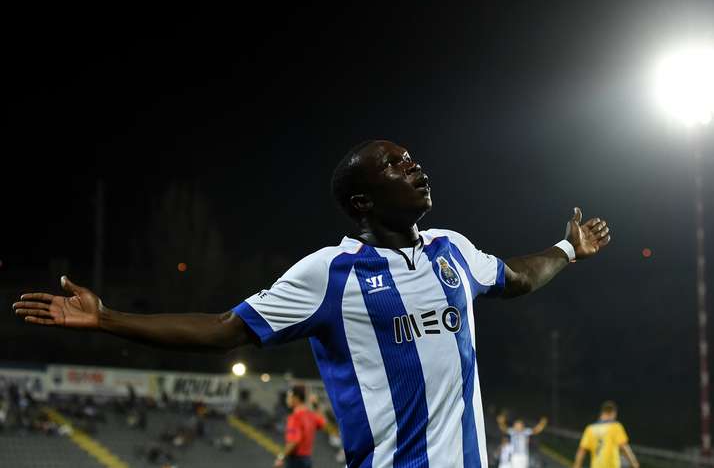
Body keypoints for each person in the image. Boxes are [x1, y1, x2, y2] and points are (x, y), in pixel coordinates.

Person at [13, 140, 611, 467]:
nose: (415, 166)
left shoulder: (452, 251)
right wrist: (108, 317)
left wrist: (567, 249)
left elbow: (517, 278)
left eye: (411, 158)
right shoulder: (328, 273)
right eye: (394, 165)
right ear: (361, 201)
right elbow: (225, 328)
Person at [573, 401, 639, 468]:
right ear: (613, 413)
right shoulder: (615, 427)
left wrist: (576, 466)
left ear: (601, 412)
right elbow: (624, 447)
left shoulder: (590, 429)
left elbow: (581, 451)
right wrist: (634, 463)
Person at [276, 384, 327, 468]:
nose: (287, 399)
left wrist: (281, 457)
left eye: (289, 396)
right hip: (307, 460)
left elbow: (294, 441)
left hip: (296, 461)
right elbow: (323, 422)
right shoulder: (311, 415)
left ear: (296, 398)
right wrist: (316, 405)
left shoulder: (295, 417)